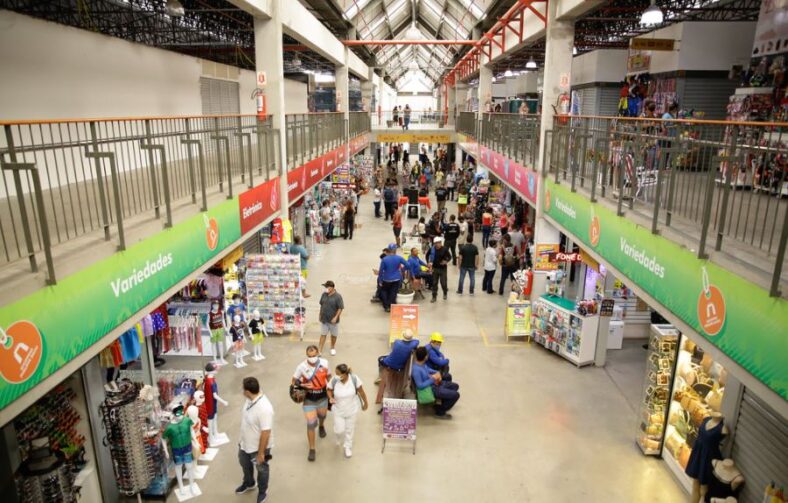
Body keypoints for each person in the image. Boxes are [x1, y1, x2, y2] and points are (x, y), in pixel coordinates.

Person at [236, 377, 274, 503]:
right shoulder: (250, 399)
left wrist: (261, 453)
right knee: (244, 463)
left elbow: (266, 432)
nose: (242, 391)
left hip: (258, 447)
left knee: (261, 469)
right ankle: (249, 483)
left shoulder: (264, 408)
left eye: (243, 389)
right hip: (245, 443)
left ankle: (262, 491)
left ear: (247, 391)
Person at [292, 346, 331, 462]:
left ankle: (322, 425)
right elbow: (293, 380)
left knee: (322, 416)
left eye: (314, 356)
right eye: (309, 356)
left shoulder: (325, 363)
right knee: (310, 423)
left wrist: (332, 388)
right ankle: (312, 449)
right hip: (309, 399)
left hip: (323, 397)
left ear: (318, 353)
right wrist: (302, 385)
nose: (311, 358)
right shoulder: (301, 366)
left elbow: (329, 376)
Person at [327, 364, 368, 458]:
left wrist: (366, 403)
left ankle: (347, 447)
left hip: (351, 410)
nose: (336, 375)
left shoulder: (354, 379)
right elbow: (329, 390)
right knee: (339, 430)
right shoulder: (334, 380)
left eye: (338, 374)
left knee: (349, 430)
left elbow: (361, 391)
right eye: (335, 373)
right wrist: (330, 398)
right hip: (338, 410)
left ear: (345, 374)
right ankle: (337, 435)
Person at [411, 347, 459, 419]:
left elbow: (427, 369)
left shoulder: (421, 363)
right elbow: (420, 385)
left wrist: (436, 372)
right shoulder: (416, 370)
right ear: (425, 357)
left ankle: (442, 403)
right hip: (431, 389)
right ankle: (440, 412)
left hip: (434, 383)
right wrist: (433, 379)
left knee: (455, 386)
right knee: (456, 395)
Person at [378, 244, 408, 312]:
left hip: (386, 279)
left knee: (384, 291)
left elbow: (381, 271)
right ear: (395, 250)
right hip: (396, 278)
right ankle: (392, 306)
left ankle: (386, 307)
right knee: (393, 292)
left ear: (388, 250)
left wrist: (380, 280)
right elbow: (408, 265)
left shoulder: (384, 259)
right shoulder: (399, 258)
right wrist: (402, 270)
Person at [318, 281, 344, 356]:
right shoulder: (324, 294)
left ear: (332, 288)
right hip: (324, 319)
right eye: (325, 287)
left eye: (327, 287)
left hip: (333, 321)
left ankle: (332, 348)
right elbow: (322, 305)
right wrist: (320, 314)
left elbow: (340, 308)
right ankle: (320, 349)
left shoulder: (338, 296)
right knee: (323, 334)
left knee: (334, 335)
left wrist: (336, 317)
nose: (326, 289)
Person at [428, 237, 451, 303]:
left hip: (443, 269)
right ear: (434, 244)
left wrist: (446, 261)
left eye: (439, 243)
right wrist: (428, 262)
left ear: (441, 243)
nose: (438, 244)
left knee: (443, 283)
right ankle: (434, 297)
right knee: (434, 283)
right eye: (437, 243)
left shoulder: (444, 249)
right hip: (435, 268)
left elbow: (449, 257)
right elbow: (427, 255)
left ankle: (445, 293)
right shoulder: (432, 249)